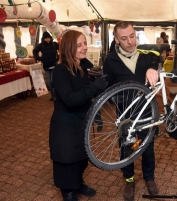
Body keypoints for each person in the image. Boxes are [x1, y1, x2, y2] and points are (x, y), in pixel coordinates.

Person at [103, 21, 159, 201]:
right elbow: (107, 86)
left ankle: (149, 178)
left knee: (148, 146)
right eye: (124, 38)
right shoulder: (110, 60)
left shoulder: (145, 55)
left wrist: (152, 67)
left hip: (146, 112)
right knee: (126, 147)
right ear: (117, 40)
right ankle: (129, 180)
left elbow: (157, 57)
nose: (130, 42)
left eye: (133, 36)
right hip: (125, 113)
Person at [49, 30, 108, 201]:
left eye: (85, 43)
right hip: (65, 122)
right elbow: (69, 99)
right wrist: (94, 88)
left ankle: (78, 183)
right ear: (69, 47)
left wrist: (96, 112)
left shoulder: (82, 66)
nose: (85, 47)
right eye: (80, 44)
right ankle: (68, 191)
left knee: (81, 156)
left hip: (81, 119)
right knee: (67, 159)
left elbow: (85, 94)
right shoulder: (61, 70)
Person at [33, 31, 59, 101]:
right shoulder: (41, 45)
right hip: (46, 66)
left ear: (50, 38)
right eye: (46, 38)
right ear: (44, 39)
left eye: (48, 38)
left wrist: (58, 57)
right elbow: (34, 51)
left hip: (54, 65)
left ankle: (56, 95)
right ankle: (52, 95)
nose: (47, 39)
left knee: (53, 81)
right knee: (49, 82)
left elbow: (61, 49)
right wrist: (40, 58)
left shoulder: (54, 44)